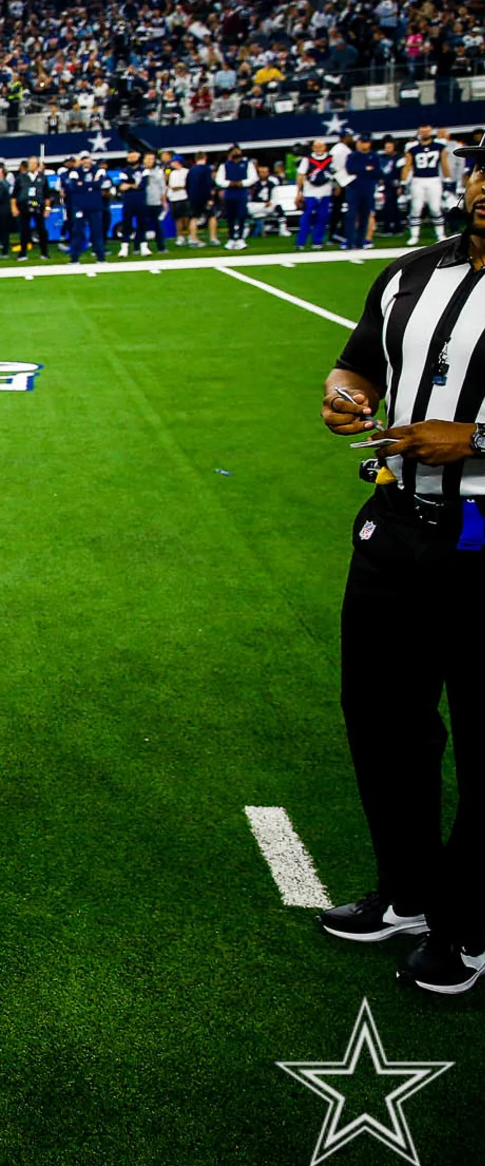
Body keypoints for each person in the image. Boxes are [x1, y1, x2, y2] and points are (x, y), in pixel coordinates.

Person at [316, 138, 485, 995]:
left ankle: (470, 922)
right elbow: (358, 361)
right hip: (395, 522)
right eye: (484, 165)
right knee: (382, 719)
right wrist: (343, 391)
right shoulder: (411, 273)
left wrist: (477, 439)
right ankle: (410, 890)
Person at [403, 126, 451, 246]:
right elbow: (407, 166)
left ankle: (440, 234)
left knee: (435, 208)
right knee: (416, 208)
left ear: (431, 132)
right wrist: (403, 181)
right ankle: (414, 235)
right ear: (419, 133)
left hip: (433, 179)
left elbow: (444, 164)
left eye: (426, 131)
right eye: (422, 131)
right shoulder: (412, 149)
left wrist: (447, 178)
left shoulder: (440, 147)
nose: (424, 133)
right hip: (418, 180)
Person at [345, 134, 385, 251]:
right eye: (362, 142)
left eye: (366, 142)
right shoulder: (353, 156)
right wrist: (366, 169)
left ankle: (360, 242)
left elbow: (378, 172)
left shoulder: (374, 156)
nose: (364, 145)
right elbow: (350, 169)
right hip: (354, 189)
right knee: (351, 215)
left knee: (365, 215)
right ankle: (350, 241)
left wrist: (363, 170)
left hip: (368, 189)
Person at [297, 140, 337, 249]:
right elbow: (300, 175)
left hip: (326, 192)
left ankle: (317, 241)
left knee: (322, 217)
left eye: (320, 146)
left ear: (325, 147)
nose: (318, 149)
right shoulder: (307, 159)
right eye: (316, 146)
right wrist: (299, 192)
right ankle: (301, 242)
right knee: (307, 217)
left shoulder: (331, 159)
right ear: (313, 148)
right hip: (310, 192)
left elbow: (336, 173)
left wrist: (337, 187)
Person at [216, 146, 257, 248]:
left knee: (241, 215)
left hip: (242, 193)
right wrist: (229, 183)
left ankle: (240, 238)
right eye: (234, 151)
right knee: (230, 216)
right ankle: (231, 238)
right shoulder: (224, 166)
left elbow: (253, 177)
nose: (236, 153)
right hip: (229, 193)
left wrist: (242, 183)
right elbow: (219, 180)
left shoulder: (247, 164)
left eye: (238, 151)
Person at [13, 158, 49, 259]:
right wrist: (14, 207)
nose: (32, 165)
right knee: (24, 230)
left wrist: (47, 208)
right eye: (30, 163)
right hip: (24, 206)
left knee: (41, 229)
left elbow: (47, 195)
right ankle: (22, 253)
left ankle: (44, 253)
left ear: (37, 165)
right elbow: (14, 195)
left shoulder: (42, 178)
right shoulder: (21, 177)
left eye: (34, 163)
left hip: (38, 205)